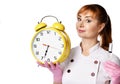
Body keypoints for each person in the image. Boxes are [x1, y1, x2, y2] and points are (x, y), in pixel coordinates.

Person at [37, 4, 120, 84]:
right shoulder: (66, 55)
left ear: (100, 27)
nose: (80, 24)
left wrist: (117, 81)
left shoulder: (110, 60)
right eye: (79, 19)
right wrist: (57, 77)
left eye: (88, 20)